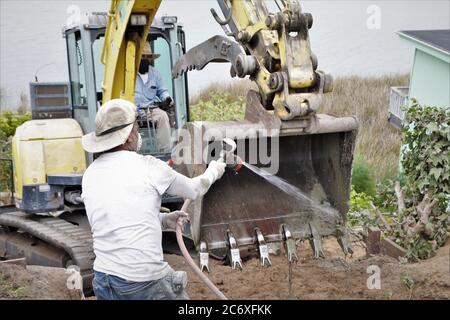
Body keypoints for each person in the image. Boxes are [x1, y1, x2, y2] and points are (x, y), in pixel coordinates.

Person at [81, 99, 226, 300]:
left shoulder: (90, 174)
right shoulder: (147, 166)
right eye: (136, 128)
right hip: (142, 280)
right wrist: (214, 171)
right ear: (127, 138)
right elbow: (194, 189)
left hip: (104, 279)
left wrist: (164, 220)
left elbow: (116, 219)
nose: (138, 133)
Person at [135, 42, 172, 151]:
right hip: (132, 110)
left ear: (151, 58)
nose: (145, 60)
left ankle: (164, 151)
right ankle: (131, 152)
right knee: (126, 121)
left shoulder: (155, 74)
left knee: (163, 116)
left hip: (149, 110)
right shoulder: (127, 73)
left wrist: (167, 99)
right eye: (142, 57)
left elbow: (162, 91)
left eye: (147, 57)